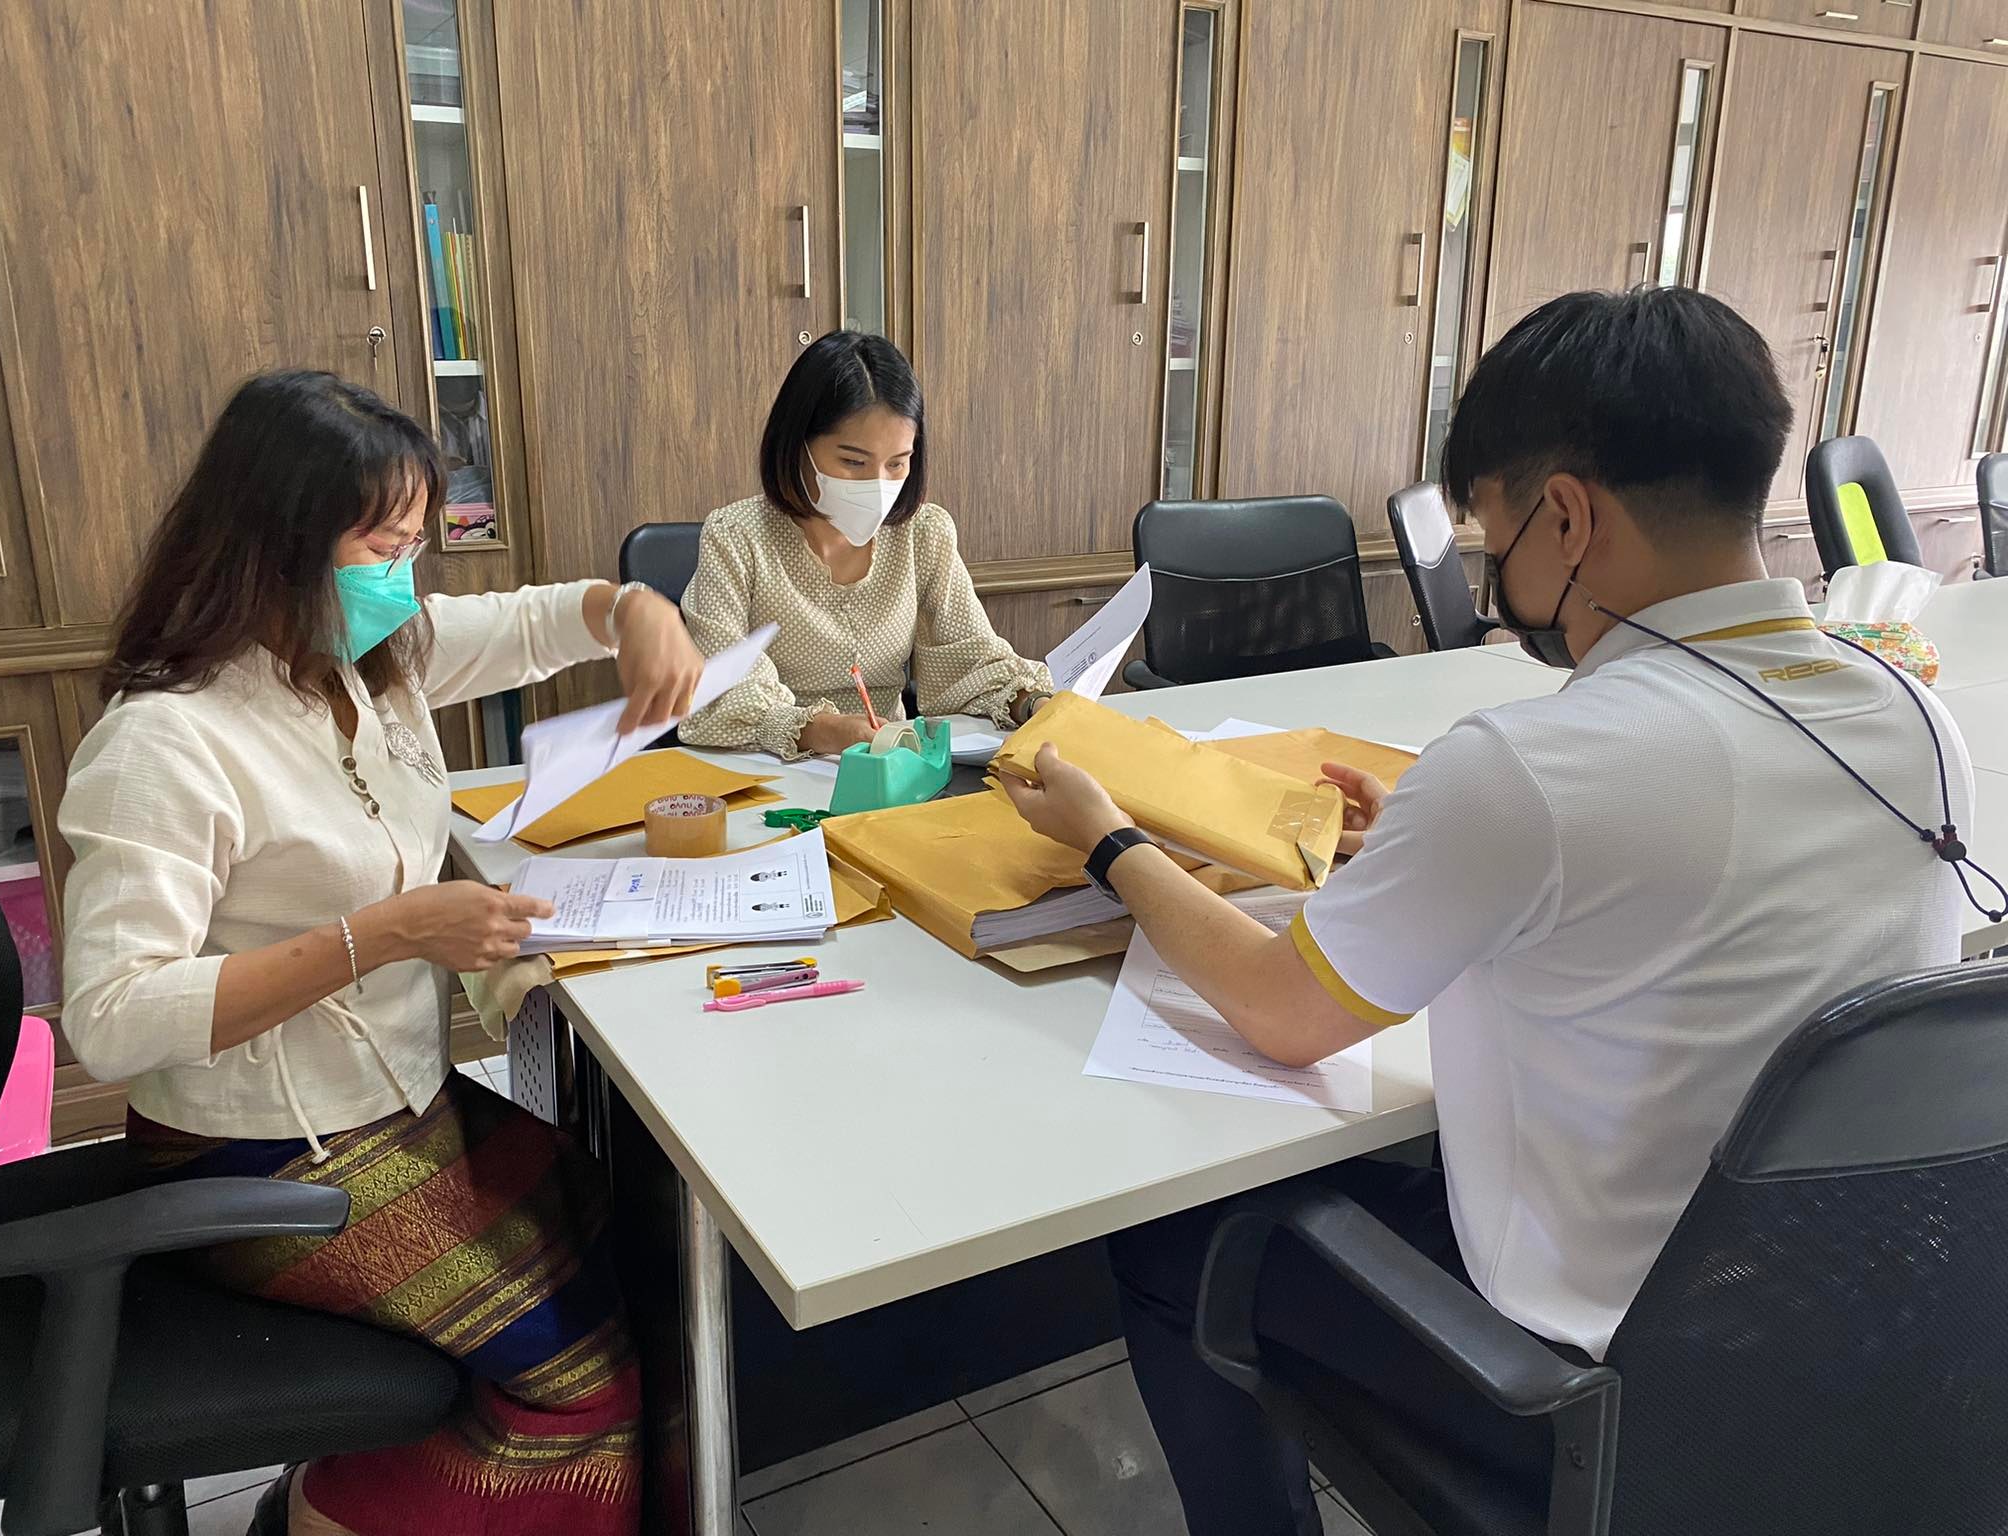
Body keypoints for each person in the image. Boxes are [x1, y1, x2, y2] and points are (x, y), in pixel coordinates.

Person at [1001, 287, 1983, 1536]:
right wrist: (1431, 841)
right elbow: (1679, 875)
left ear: (1566, 517)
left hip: (1590, 1397)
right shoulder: (1911, 716)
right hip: (1850, 1351)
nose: (1490, 572)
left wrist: (1110, 842)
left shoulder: (1527, 768)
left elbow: (1278, 1015)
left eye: (1493, 536)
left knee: (1174, 1243)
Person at [58, 371, 705, 1536]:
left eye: (415, 543)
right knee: (582, 1386)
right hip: (258, 1153)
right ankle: (325, 1510)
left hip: (391, 1100)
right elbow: (111, 1016)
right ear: (277, 540)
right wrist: (386, 934)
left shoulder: (372, 663)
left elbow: (534, 623)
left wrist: (632, 609)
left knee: (612, 1214)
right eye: (380, 545)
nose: (403, 577)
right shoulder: (166, 741)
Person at [676, 329, 1050, 759]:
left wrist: (1033, 703)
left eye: (897, 463)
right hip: (770, 768)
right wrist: (823, 731)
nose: (877, 484)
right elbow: (721, 688)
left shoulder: (923, 533)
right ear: (797, 445)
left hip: (888, 766)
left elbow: (970, 661)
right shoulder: (736, 537)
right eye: (853, 461)